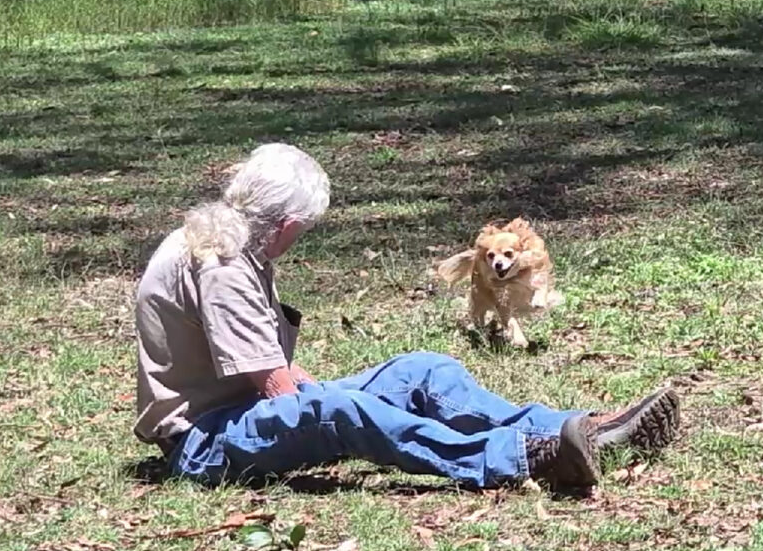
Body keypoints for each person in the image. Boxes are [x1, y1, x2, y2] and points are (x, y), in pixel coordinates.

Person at [133, 143, 682, 491]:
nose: (302, 237)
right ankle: (526, 456)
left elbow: (277, 379)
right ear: (284, 222)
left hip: (246, 412)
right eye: (306, 226)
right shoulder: (223, 263)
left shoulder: (232, 238)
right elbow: (278, 387)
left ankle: (577, 429)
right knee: (338, 408)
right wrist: (358, 408)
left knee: (421, 371)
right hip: (205, 444)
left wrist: (366, 398)